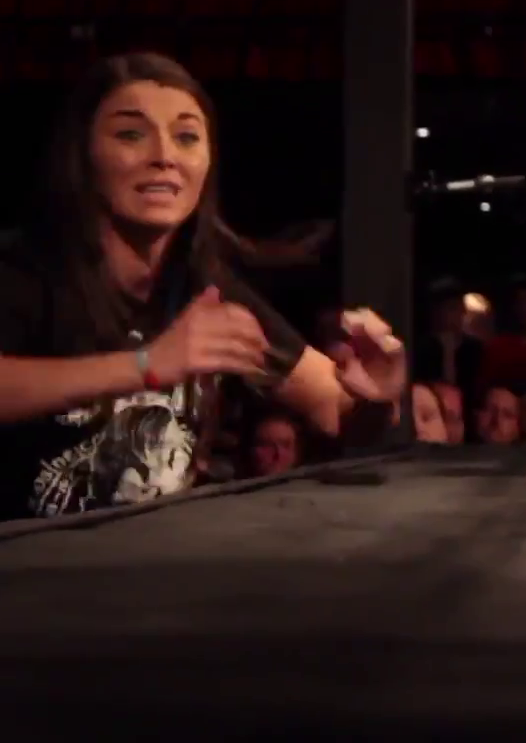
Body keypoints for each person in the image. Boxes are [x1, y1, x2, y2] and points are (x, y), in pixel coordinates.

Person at [0, 53, 409, 521]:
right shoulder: (26, 269)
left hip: (155, 560)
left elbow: (337, 412)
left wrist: (376, 398)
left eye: (186, 137)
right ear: (83, 156)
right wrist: (147, 365)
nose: (164, 156)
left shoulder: (205, 289)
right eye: (130, 134)